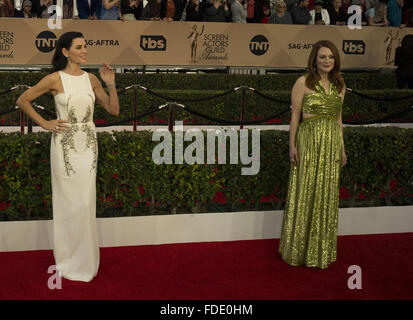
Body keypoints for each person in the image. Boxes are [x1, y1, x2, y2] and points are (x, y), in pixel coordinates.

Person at [16, 31, 120, 282]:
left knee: (85, 203)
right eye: (79, 47)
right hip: (64, 148)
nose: (85, 50)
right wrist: (45, 123)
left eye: (86, 46)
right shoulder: (54, 79)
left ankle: (85, 260)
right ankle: (68, 258)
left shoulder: (91, 78)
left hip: (88, 146)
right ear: (65, 52)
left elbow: (114, 110)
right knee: (68, 204)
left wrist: (110, 83)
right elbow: (23, 100)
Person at [278, 40, 347, 269]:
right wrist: (292, 147)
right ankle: (297, 248)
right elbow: (295, 118)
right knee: (305, 191)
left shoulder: (340, 85)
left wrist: (342, 148)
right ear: (314, 60)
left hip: (331, 145)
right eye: (323, 57)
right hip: (308, 142)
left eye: (331, 57)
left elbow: (338, 120)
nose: (327, 61)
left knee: (326, 194)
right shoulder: (302, 83)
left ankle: (320, 250)